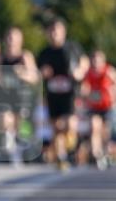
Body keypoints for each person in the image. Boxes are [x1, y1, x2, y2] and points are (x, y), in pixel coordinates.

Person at [36, 19, 89, 169]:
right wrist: (43, 73)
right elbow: (38, 72)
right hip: (53, 94)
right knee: (56, 127)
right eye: (52, 31)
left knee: (69, 124)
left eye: (57, 30)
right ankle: (61, 157)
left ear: (63, 32)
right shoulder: (45, 53)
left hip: (70, 94)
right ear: (48, 33)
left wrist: (80, 72)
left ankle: (75, 144)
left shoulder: (72, 47)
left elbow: (84, 61)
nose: (54, 34)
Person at [0, 26, 39, 166]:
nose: (11, 41)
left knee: (20, 128)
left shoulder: (25, 57)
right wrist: (1, 79)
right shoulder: (0, 58)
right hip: (5, 96)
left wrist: (22, 74)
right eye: (9, 38)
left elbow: (34, 77)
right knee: (5, 120)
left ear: (20, 40)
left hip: (22, 97)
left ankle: (20, 151)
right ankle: (8, 148)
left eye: (14, 38)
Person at [82, 50, 116, 169]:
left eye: (98, 60)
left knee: (106, 131)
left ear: (103, 61)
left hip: (107, 106)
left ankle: (106, 154)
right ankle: (97, 155)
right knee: (94, 127)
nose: (96, 63)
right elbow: (84, 89)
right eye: (94, 61)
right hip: (94, 106)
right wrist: (86, 95)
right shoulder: (88, 73)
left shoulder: (109, 71)